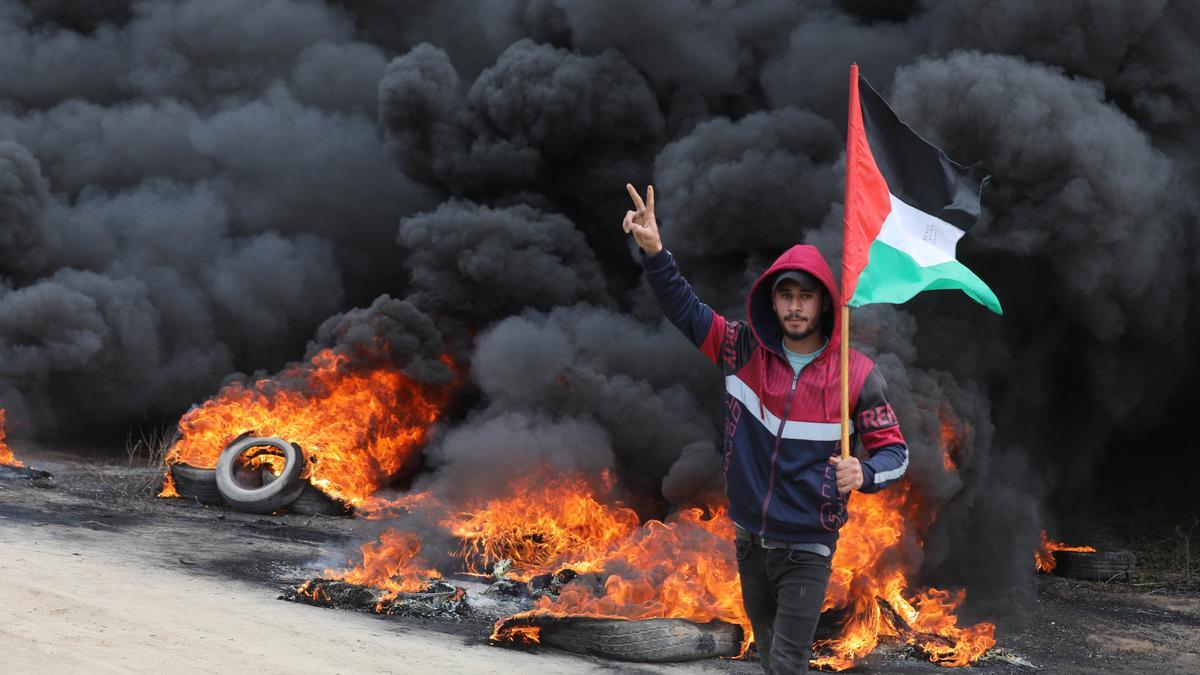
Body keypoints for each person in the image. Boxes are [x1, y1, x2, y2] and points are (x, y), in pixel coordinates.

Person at [622, 183, 908, 673]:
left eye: (806, 297)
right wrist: (654, 252)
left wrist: (863, 472)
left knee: (788, 661)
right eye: (786, 296)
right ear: (772, 302)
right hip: (749, 539)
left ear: (823, 304)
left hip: (808, 546)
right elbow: (686, 311)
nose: (796, 307)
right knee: (768, 650)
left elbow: (894, 453)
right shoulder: (741, 349)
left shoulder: (855, 374)